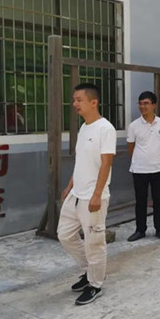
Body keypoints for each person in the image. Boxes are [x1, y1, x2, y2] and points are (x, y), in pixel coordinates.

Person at [57, 83, 116, 305]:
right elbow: (81, 161)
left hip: (93, 196)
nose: (75, 104)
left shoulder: (105, 129)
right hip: (76, 194)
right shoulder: (84, 128)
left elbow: (106, 163)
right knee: (64, 235)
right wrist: (70, 185)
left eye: (79, 100)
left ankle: (95, 284)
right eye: (74, 100)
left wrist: (97, 195)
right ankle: (88, 270)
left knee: (94, 242)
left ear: (93, 102)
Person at [126, 91, 160, 242]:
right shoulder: (133, 126)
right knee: (141, 201)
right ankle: (140, 230)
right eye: (140, 103)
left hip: (158, 168)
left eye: (146, 103)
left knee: (159, 200)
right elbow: (131, 147)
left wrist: (153, 156)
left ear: (154, 105)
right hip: (139, 169)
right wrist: (141, 158)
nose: (142, 106)